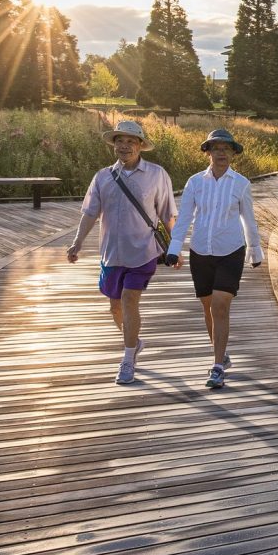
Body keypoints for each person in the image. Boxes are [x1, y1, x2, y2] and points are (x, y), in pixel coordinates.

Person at [67, 120, 175, 385]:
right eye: (120, 141)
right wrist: (77, 242)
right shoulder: (102, 176)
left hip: (143, 251)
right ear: (114, 145)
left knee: (129, 299)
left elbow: (168, 213)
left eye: (130, 141)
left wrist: (175, 247)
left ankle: (127, 360)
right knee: (114, 306)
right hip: (111, 254)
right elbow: (90, 212)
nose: (124, 146)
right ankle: (134, 342)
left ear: (140, 145)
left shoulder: (156, 174)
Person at [164, 127, 263, 389]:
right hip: (200, 252)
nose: (221, 153)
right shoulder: (195, 182)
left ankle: (217, 366)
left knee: (220, 305)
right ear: (208, 152)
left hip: (231, 251)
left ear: (233, 153)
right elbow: (184, 218)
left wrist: (255, 250)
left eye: (226, 148)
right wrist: (174, 248)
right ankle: (221, 352)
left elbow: (249, 220)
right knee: (208, 307)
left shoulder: (241, 184)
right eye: (216, 148)